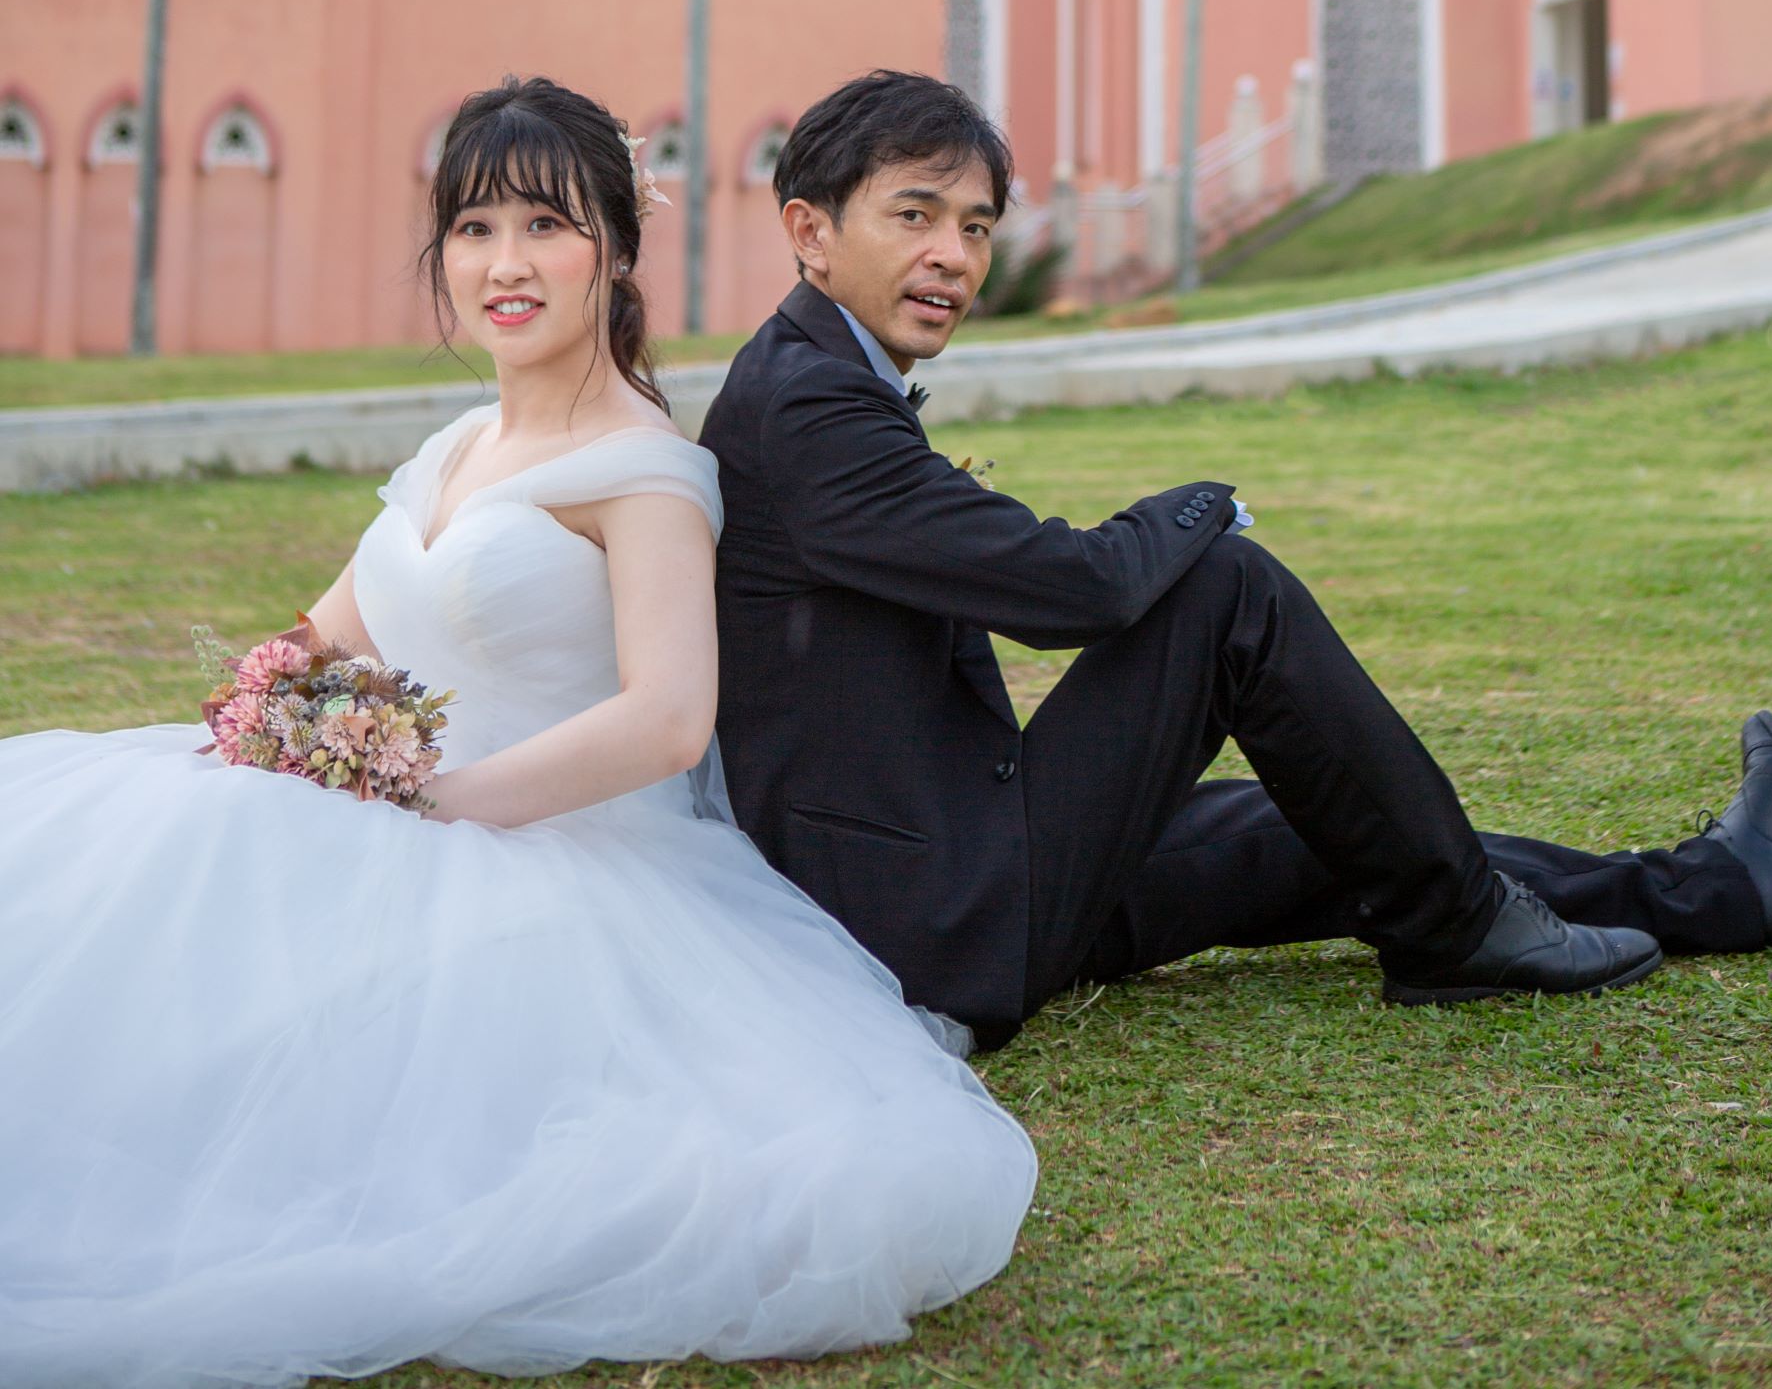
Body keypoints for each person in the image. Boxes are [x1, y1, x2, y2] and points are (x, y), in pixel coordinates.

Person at [0, 77, 1035, 1388]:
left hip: (554, 852)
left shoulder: (650, 472)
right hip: (394, 799)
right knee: (133, 856)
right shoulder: (451, 450)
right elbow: (323, 640)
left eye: (543, 226)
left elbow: (667, 722)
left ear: (612, 248)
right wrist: (276, 712)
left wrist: (437, 806)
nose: (505, 264)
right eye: (474, 231)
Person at [701, 70, 1772, 1049]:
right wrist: (1201, 507)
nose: (952, 254)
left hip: (953, 866)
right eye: (914, 215)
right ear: (809, 231)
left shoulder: (814, 380)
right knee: (1226, 591)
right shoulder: (810, 410)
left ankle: (1724, 887)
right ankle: (1454, 933)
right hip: (929, 920)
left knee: (1329, 820)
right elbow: (1071, 590)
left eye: (977, 226)